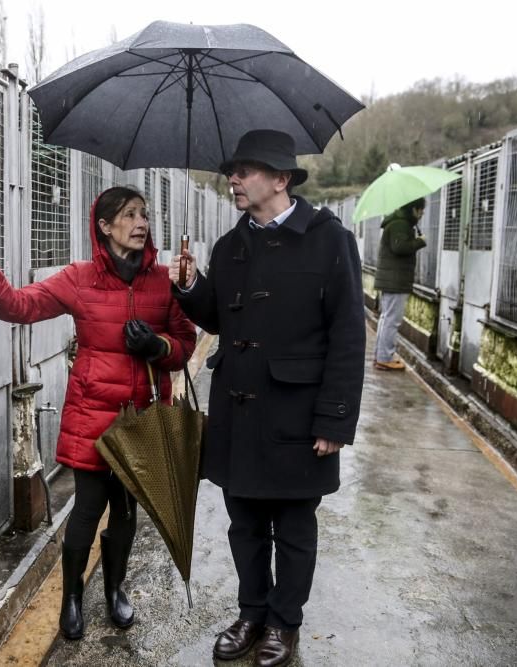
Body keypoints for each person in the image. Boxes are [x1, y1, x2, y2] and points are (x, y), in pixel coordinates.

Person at [0, 186, 196, 641]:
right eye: (129, 215)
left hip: (144, 420)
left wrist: (159, 346)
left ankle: (115, 589)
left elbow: (184, 343)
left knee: (127, 512)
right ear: (104, 225)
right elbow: (18, 306)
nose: (141, 223)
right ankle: (71, 597)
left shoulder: (163, 281)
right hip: (93, 418)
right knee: (86, 511)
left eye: (144, 215)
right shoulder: (80, 277)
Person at [167, 129, 365, 667]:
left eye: (246, 171)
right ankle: (251, 612)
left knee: (295, 527)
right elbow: (221, 319)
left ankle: (284, 622)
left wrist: (335, 418)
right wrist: (191, 288)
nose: (233, 179)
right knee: (244, 523)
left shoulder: (328, 239)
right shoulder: (230, 246)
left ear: (281, 180)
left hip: (297, 414)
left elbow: (348, 334)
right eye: (233, 170)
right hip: (237, 409)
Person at [372, 198, 427, 371]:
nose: (422, 213)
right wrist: (420, 241)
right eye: (420, 210)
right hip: (395, 280)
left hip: (391, 279)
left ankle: (381, 355)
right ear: (413, 210)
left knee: (386, 318)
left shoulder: (398, 223)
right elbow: (399, 248)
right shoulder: (400, 224)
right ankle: (384, 358)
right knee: (391, 320)